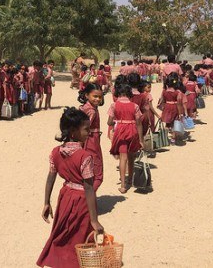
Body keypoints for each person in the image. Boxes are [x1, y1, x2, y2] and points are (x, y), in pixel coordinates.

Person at [37, 108, 103, 267]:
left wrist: (46, 202)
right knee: (79, 237)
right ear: (74, 132)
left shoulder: (55, 152)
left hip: (65, 196)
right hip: (81, 201)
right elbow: (88, 188)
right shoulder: (85, 156)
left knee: (64, 234)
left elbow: (50, 177)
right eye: (86, 129)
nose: (89, 133)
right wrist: (94, 220)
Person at [107, 83, 143, 193]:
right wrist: (141, 140)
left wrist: (115, 122)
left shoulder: (114, 105)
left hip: (121, 131)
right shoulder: (134, 106)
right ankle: (130, 181)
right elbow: (139, 123)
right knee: (131, 157)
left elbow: (109, 121)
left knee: (123, 158)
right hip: (132, 131)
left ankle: (123, 185)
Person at [78, 83, 104, 191]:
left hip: (88, 141)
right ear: (87, 95)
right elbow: (84, 129)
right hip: (91, 142)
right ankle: (88, 199)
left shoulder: (84, 107)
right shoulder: (91, 111)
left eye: (100, 97)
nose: (98, 99)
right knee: (97, 174)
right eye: (95, 96)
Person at [158, 75, 184, 144]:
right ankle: (173, 139)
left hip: (167, 106)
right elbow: (179, 103)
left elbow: (162, 101)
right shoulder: (177, 92)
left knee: (167, 124)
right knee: (174, 123)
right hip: (174, 107)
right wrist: (180, 113)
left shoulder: (164, 91)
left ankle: (165, 137)